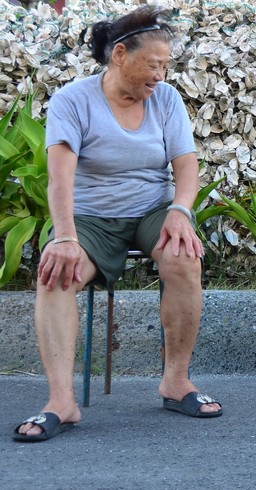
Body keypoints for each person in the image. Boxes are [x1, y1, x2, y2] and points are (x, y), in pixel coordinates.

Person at [13, 5, 222, 442]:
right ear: (120, 55)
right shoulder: (74, 100)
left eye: (166, 65)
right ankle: (61, 402)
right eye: (154, 64)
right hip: (88, 217)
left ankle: (176, 381)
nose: (161, 75)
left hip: (152, 212)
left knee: (184, 258)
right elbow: (60, 179)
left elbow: (186, 167)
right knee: (55, 274)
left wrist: (181, 211)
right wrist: (65, 237)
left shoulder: (166, 100)